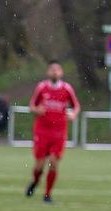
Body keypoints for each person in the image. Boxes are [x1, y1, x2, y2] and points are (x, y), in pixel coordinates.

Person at [25, 60, 80, 203]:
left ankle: (47, 194)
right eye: (52, 69)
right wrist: (37, 110)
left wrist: (73, 114)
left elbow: (76, 106)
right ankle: (35, 181)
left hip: (59, 132)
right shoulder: (42, 87)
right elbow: (32, 106)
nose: (55, 72)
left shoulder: (67, 89)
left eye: (57, 69)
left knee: (53, 163)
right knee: (39, 164)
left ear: (61, 72)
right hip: (42, 131)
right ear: (48, 72)